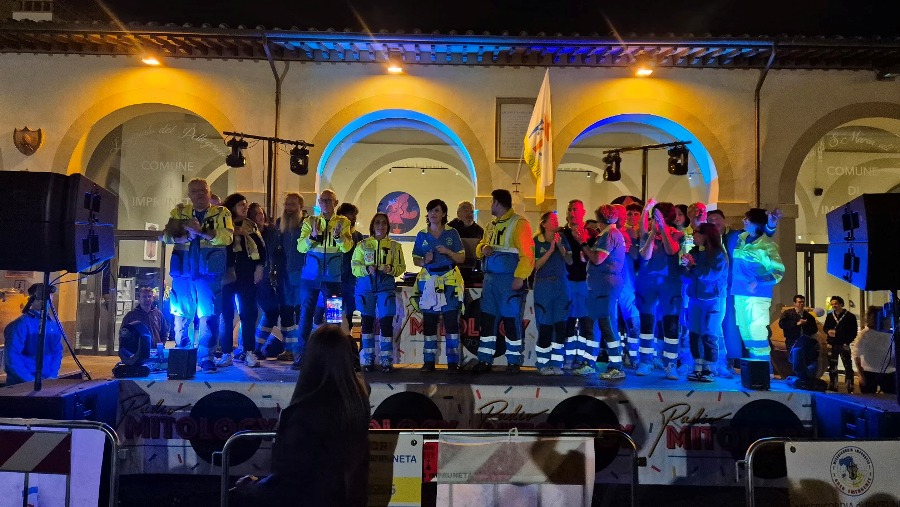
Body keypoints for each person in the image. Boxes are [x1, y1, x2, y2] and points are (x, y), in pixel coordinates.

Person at [229, 325, 370, 506]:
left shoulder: (304, 413)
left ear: (311, 359)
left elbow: (289, 482)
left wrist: (251, 488)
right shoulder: (357, 404)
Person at [161, 178, 233, 373]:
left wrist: (202, 231)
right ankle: (183, 354)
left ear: (209, 192)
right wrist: (185, 236)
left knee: (209, 314)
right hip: (183, 272)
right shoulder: (179, 213)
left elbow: (227, 237)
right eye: (195, 191)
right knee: (181, 314)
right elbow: (166, 236)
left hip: (208, 271)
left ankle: (206, 357)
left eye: (203, 190)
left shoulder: (221, 213)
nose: (200, 194)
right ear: (189, 195)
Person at [473, 189, 535, 373]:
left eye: (492, 202)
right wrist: (483, 248)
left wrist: (519, 277)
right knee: (488, 320)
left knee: (510, 320)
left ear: (497, 203)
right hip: (490, 280)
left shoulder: (519, 223)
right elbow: (480, 246)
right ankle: (484, 359)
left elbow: (528, 255)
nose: (490, 206)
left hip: (509, 281)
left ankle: (513, 361)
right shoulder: (491, 225)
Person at [295, 189, 354, 370]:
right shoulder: (310, 221)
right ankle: (301, 357)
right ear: (319, 203)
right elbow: (300, 247)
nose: (326, 203)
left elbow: (347, 247)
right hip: (310, 277)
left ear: (336, 203)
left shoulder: (343, 222)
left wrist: (338, 237)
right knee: (306, 315)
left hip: (333, 278)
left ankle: (333, 359)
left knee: (334, 318)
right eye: (323, 200)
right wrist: (313, 236)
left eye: (329, 200)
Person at [412, 199, 466, 372]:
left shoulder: (452, 233)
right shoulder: (422, 235)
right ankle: (429, 362)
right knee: (429, 322)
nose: (433, 214)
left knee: (451, 322)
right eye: (430, 211)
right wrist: (424, 261)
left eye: (437, 210)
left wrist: (448, 252)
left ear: (443, 214)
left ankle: (453, 362)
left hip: (449, 281)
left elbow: (461, 258)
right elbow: (415, 259)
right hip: (429, 281)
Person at [730, 208, 784, 373]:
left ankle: (764, 371)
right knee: (745, 332)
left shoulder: (766, 245)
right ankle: (755, 371)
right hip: (739, 293)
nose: (743, 220)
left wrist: (759, 281)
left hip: (757, 297)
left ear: (756, 223)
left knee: (757, 332)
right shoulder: (741, 238)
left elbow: (778, 271)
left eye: (747, 219)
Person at [634, 200, 683, 380]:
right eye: (654, 216)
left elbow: (671, 251)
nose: (655, 219)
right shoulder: (648, 234)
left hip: (669, 284)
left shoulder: (677, 234)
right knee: (647, 322)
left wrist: (663, 230)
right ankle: (645, 361)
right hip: (647, 283)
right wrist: (653, 233)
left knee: (670, 324)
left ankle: (670, 363)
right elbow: (644, 255)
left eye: (659, 216)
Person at [217, 193, 266, 368]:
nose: (245, 208)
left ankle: (249, 351)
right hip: (227, 274)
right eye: (241, 205)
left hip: (247, 274)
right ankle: (226, 353)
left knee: (248, 314)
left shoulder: (250, 226)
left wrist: (260, 267)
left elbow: (261, 248)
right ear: (232, 207)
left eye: (245, 205)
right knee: (226, 314)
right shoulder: (223, 224)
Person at [352, 213, 406, 372]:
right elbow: (354, 267)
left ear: (388, 226)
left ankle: (386, 360)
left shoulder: (395, 246)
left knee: (386, 323)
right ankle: (368, 359)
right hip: (365, 289)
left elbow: (401, 267)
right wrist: (366, 269)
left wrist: (391, 269)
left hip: (385, 289)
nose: (380, 226)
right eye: (377, 223)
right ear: (372, 226)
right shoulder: (362, 245)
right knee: (367, 324)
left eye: (383, 223)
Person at [582, 205, 628, 380]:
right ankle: (589, 363)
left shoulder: (610, 235)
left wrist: (583, 243)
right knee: (592, 325)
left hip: (605, 287)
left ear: (599, 219)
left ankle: (616, 366)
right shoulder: (606, 235)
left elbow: (597, 259)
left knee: (607, 324)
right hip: (597, 287)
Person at [681, 223, 728, 382]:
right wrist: (686, 268)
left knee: (709, 333)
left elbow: (710, 274)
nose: (693, 236)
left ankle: (710, 368)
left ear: (706, 235)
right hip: (695, 298)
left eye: (696, 233)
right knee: (694, 333)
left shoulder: (717, 254)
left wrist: (693, 266)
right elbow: (687, 277)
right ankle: (698, 367)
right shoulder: (694, 252)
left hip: (713, 299)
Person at [532, 211, 572, 376]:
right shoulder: (537, 241)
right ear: (544, 223)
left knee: (560, 324)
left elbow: (570, 260)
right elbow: (536, 266)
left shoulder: (562, 238)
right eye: (552, 219)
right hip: (544, 285)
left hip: (561, 284)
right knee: (545, 325)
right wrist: (550, 249)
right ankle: (543, 363)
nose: (556, 222)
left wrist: (560, 247)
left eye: (557, 219)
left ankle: (557, 362)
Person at [3, 283, 63, 386]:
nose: (44, 300)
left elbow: (57, 353)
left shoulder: (53, 325)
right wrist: (31, 381)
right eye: (40, 296)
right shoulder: (21, 324)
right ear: (31, 298)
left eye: (48, 295)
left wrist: (52, 377)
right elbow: (12, 357)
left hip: (45, 383)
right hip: (21, 385)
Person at [271, 193, 307, 362]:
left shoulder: (307, 224)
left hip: (302, 274)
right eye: (286, 204)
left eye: (292, 204)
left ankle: (301, 348)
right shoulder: (280, 223)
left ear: (301, 206)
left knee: (301, 311)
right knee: (286, 311)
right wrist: (274, 269)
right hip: (284, 274)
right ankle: (288, 348)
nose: (288, 208)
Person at [560, 199, 593, 371]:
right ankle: (568, 357)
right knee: (568, 321)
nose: (572, 213)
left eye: (576, 210)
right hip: (567, 282)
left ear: (583, 213)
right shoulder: (561, 233)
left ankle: (583, 359)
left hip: (586, 283)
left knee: (586, 323)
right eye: (570, 209)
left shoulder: (591, 233)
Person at [852, 306, 896, 394]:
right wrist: (860, 374)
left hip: (888, 371)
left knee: (891, 397)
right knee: (869, 397)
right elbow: (856, 354)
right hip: (869, 371)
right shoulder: (865, 334)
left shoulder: (890, 333)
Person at [823, 295, 858, 392]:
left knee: (847, 366)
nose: (834, 306)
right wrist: (828, 331)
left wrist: (847, 341)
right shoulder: (830, 316)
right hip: (832, 344)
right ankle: (833, 385)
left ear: (841, 304)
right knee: (832, 366)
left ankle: (849, 385)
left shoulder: (850, 316)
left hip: (844, 344)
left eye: (836, 304)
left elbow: (853, 331)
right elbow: (825, 327)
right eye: (832, 304)